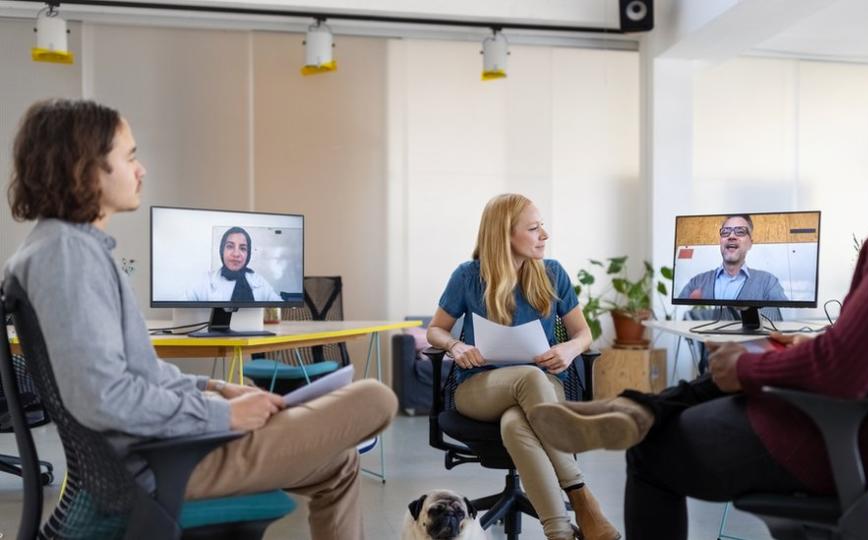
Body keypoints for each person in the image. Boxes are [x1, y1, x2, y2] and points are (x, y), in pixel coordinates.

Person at [529, 71, 868, 540]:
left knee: (652, 450)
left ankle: (638, 413)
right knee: (750, 357)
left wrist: (751, 371)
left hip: (849, 442)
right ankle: (635, 407)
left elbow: (845, 372)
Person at [3, 99, 397, 539]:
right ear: (85, 167)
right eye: (129, 156)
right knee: (375, 399)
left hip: (157, 451)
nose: (141, 169)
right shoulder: (67, 256)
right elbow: (104, 397)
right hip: (165, 461)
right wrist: (222, 417)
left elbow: (137, 374)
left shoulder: (61, 248)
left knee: (340, 462)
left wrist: (212, 388)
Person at [426, 193, 619, 540]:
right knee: (528, 378)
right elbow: (435, 329)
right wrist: (455, 345)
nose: (544, 235)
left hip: (544, 385)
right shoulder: (468, 276)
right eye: (534, 228)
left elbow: (583, 333)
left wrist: (570, 349)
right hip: (479, 388)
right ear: (504, 235)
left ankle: (559, 532)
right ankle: (581, 495)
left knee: (516, 424)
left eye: (541, 226)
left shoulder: (552, 273)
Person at [677, 214, 788, 303]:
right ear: (720, 241)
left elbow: (780, 322)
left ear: (750, 243)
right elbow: (679, 319)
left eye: (740, 231)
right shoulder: (697, 282)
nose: (731, 236)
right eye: (725, 232)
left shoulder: (768, 283)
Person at [185, 226, 282, 302]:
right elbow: (182, 308)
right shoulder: (204, 282)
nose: (236, 254)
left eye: (243, 248)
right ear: (222, 250)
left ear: (248, 254)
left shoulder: (259, 282)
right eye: (230, 246)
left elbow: (282, 309)